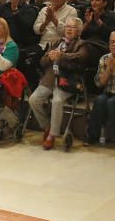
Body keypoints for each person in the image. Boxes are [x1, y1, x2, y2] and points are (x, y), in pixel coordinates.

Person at [29, 19, 89, 150]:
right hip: (49, 80)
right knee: (33, 100)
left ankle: (52, 135)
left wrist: (61, 56)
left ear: (78, 30)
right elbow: (42, 61)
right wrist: (49, 58)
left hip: (67, 82)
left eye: (73, 27)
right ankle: (47, 126)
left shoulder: (82, 44)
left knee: (56, 101)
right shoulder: (57, 42)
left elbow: (80, 58)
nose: (69, 29)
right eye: (67, 26)